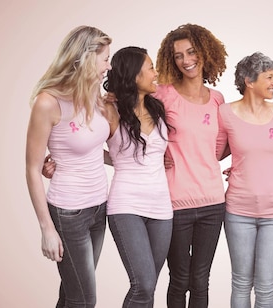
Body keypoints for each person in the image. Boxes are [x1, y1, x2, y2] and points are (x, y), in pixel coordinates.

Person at [25, 25, 112, 307]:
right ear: (86, 59)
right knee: (84, 299)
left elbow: (95, 151)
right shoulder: (48, 103)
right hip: (69, 212)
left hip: (100, 207)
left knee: (71, 293)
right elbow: (32, 169)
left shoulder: (94, 97)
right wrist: (47, 229)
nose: (107, 67)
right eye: (105, 59)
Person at [153, 23, 229, 308]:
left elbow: (220, 149)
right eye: (178, 55)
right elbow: (132, 123)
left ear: (206, 53)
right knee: (179, 278)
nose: (186, 60)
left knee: (201, 279)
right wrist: (153, 153)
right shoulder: (162, 95)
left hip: (212, 201)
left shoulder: (218, 100)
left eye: (191, 52)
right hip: (175, 202)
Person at [216, 52, 273, 308]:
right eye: (269, 77)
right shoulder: (224, 113)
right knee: (240, 283)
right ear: (249, 81)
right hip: (239, 210)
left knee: (266, 287)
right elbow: (215, 152)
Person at [103, 46, 174, 307]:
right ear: (134, 75)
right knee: (142, 285)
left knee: (149, 287)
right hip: (126, 206)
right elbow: (84, 145)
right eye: (151, 68)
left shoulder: (158, 108)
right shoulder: (109, 111)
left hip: (161, 209)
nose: (156, 73)